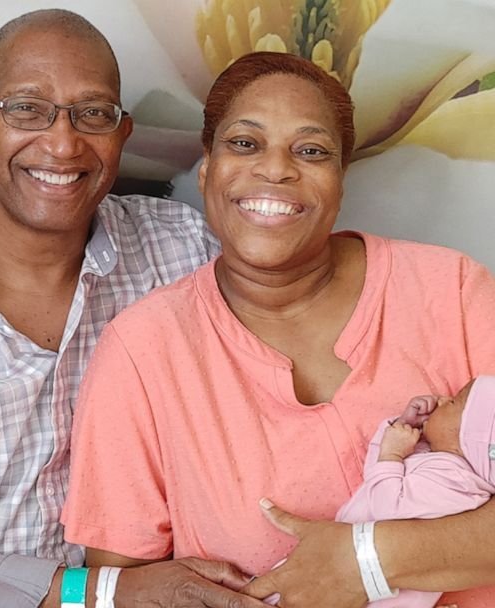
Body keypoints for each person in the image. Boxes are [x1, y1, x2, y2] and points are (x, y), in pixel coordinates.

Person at [62, 51, 495, 608]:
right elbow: (129, 589)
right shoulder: (142, 353)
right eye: (245, 143)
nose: (276, 169)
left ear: (340, 180)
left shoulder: (451, 290)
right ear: (206, 170)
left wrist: (368, 562)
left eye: (311, 151)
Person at [0, 9, 274, 608]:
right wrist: (103, 594)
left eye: (93, 114)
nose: (63, 143)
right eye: (27, 108)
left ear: (123, 133)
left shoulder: (182, 248)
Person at [335, 376, 495, 607]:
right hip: (352, 561)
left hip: (376, 589)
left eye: (453, 403)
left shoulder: (456, 483)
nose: (442, 399)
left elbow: (386, 508)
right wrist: (403, 427)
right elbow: (375, 477)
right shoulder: (442, 463)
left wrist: (392, 454)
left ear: (467, 439)